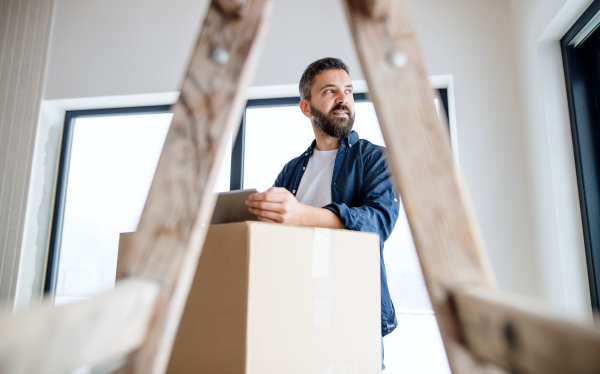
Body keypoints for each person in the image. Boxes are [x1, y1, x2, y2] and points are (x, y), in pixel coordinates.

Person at [245, 57, 398, 369]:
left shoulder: (376, 159)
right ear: (306, 107)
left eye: (349, 91)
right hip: (295, 311)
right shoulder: (291, 171)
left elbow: (378, 223)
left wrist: (302, 216)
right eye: (330, 91)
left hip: (354, 314)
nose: (343, 99)